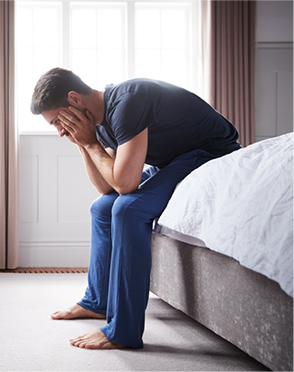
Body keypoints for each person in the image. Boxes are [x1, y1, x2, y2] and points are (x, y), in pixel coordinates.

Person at [30, 68, 241, 350]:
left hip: (211, 151)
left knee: (128, 210)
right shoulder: (100, 124)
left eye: (59, 120)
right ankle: (98, 302)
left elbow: (126, 185)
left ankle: (123, 332)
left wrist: (91, 143)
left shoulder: (128, 101)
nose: (59, 131)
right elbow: (108, 189)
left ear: (74, 99)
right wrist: (84, 144)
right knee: (102, 208)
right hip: (174, 159)